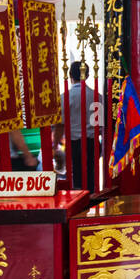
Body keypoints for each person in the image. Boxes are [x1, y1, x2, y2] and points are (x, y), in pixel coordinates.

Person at [56, 61, 102, 190]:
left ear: (70, 75)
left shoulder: (64, 98)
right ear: (87, 76)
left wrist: (55, 146)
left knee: (75, 177)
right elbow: (100, 126)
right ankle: (91, 201)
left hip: (73, 145)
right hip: (92, 143)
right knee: (91, 176)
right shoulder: (97, 97)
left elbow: (60, 125)